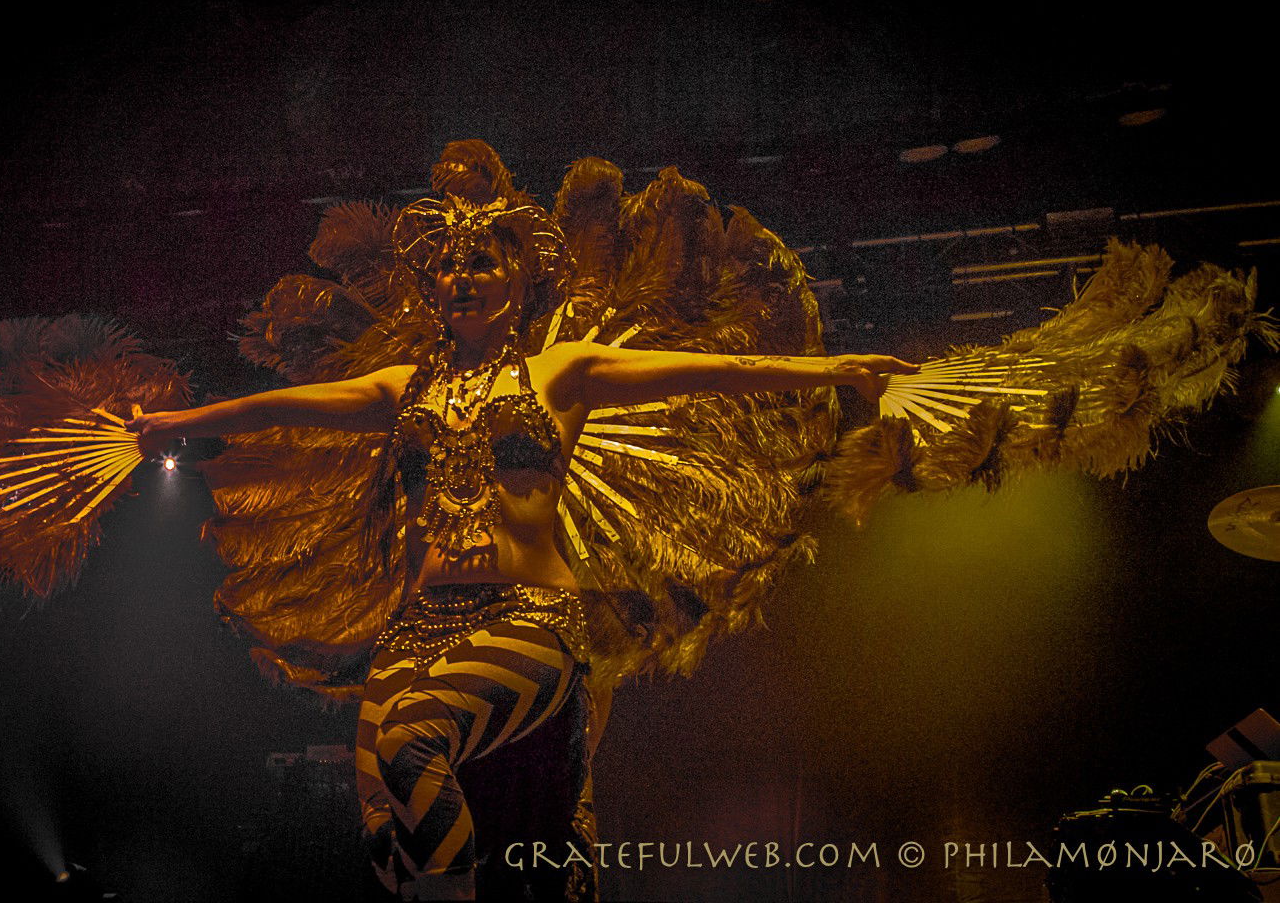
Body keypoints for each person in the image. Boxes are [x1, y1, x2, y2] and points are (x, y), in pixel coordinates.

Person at [129, 191, 915, 901]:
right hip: (415, 628)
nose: (461, 278)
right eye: (447, 267)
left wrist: (835, 369)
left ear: (518, 279)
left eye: (481, 262)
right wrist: (177, 425)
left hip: (526, 618)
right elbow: (277, 408)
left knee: (411, 741)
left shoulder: (561, 374)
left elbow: (707, 374)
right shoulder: (401, 388)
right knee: (382, 825)